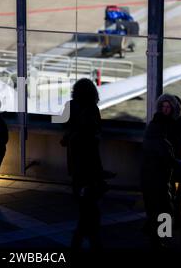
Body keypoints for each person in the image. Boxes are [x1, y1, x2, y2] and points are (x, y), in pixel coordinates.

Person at [61, 78, 107, 249]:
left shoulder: (71, 107)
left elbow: (63, 124)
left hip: (76, 166)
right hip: (90, 167)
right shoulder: (92, 111)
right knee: (90, 211)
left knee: (85, 210)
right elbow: (96, 131)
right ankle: (88, 242)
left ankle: (84, 241)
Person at [141, 108, 181, 247]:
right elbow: (168, 160)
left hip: (148, 181)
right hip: (159, 182)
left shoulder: (148, 138)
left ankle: (153, 234)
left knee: (153, 209)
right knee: (164, 211)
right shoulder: (161, 143)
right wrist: (180, 163)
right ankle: (159, 240)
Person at [156, 94, 181, 199]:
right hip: (175, 154)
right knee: (174, 182)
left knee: (170, 182)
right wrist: (179, 142)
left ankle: (171, 207)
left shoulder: (163, 119)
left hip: (170, 155)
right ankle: (175, 207)